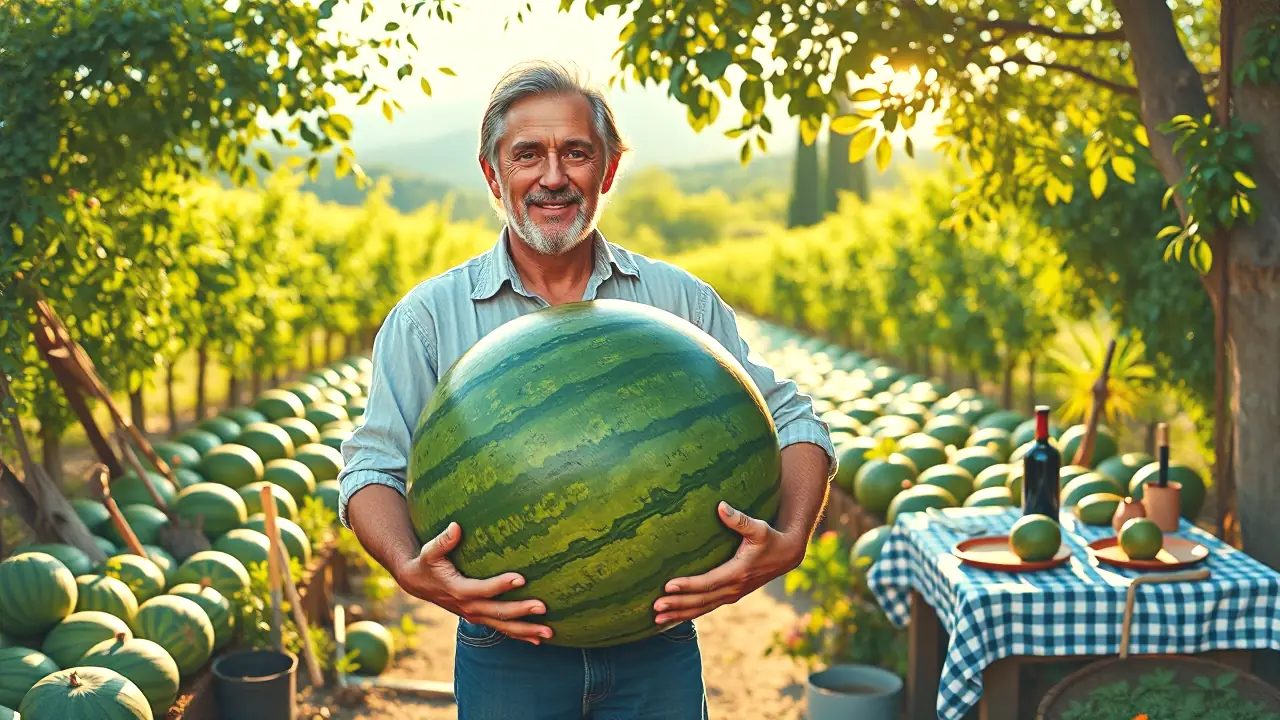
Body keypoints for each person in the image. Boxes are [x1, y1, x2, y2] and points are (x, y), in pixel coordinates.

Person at [338, 59, 837, 719]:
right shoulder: (428, 319)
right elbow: (372, 467)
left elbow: (795, 423)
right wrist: (407, 565)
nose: (553, 176)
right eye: (527, 155)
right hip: (504, 647)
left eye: (576, 152)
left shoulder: (680, 301)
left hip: (655, 643)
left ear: (607, 169)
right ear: (493, 175)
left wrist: (793, 535)